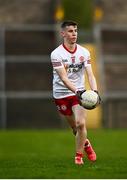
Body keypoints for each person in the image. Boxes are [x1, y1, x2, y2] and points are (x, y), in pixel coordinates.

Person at [50, 20, 101, 165]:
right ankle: (86, 144)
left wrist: (95, 92)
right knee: (74, 128)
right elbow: (64, 78)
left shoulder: (84, 52)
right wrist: (78, 91)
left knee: (80, 124)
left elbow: (90, 74)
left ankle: (78, 156)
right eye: (71, 31)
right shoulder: (56, 54)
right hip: (61, 94)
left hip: (78, 93)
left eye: (76, 31)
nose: (74, 34)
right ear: (63, 33)